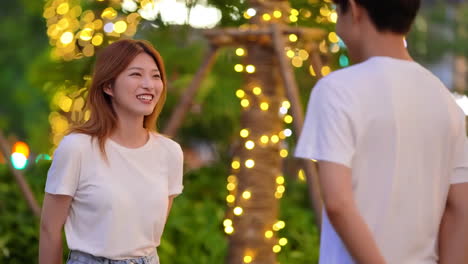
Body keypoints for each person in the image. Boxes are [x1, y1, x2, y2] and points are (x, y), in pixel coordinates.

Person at [295, 0, 468, 263]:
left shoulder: (336, 90)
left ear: (353, 10)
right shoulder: (444, 100)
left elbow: (338, 203)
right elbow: (461, 210)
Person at [39, 39, 184, 264]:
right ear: (108, 86)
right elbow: (49, 229)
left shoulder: (170, 153)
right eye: (136, 74)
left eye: (156, 76)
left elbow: (146, 235)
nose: (149, 84)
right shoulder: (77, 148)